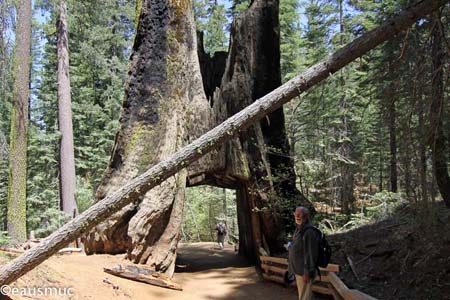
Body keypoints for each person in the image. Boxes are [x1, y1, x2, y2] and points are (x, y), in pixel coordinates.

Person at [288, 206, 320, 300]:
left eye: (300, 214)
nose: (297, 216)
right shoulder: (299, 229)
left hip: (304, 272)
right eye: (296, 213)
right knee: (304, 295)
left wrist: (307, 272)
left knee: (304, 297)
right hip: (298, 270)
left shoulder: (309, 232)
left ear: (306, 216)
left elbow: (310, 253)